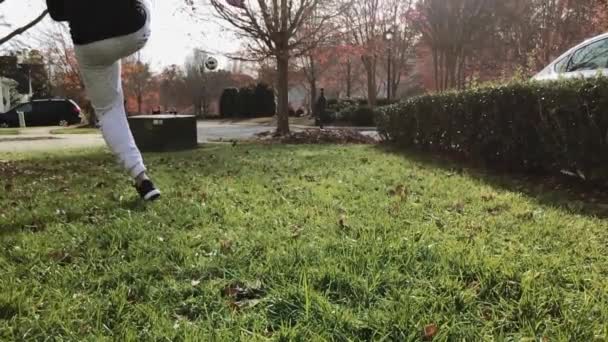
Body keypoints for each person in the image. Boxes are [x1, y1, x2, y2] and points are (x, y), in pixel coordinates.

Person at [46, 0, 161, 201]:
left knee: (108, 111)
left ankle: (142, 178)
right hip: (132, 32)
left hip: (89, 44)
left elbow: (56, 12)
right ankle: (144, 183)